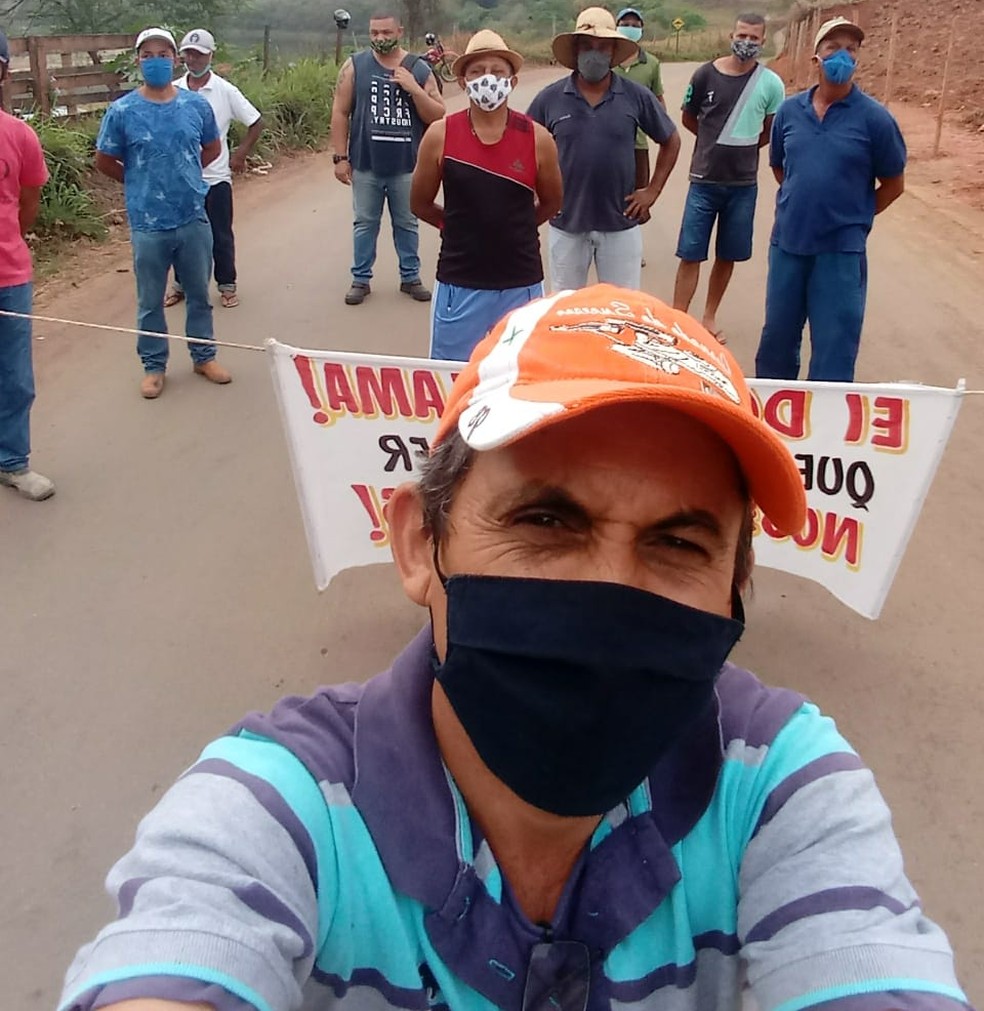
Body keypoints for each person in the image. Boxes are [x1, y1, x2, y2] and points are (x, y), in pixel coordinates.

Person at [58, 284, 971, 1011]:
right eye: (544, 518)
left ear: (735, 586)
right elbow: (179, 953)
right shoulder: (281, 808)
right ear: (421, 544)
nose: (607, 590)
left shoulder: (778, 784)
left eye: (680, 543)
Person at [755, 17, 906, 382]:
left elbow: (893, 183)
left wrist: (855, 216)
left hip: (840, 251)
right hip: (788, 243)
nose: (841, 55)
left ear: (857, 60)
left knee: (834, 348)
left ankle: (826, 429)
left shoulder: (875, 119)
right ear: (816, 57)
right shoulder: (790, 112)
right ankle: (773, 427)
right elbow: (781, 168)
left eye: (850, 49)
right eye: (832, 48)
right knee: (777, 341)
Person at [410, 30, 563, 362]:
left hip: (520, 282)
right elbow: (419, 202)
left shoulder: (538, 139)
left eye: (497, 71)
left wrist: (517, 227)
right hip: (459, 282)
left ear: (513, 81)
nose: (487, 79)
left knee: (517, 378)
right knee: (452, 380)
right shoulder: (440, 135)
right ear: (463, 82)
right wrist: (454, 227)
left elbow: (552, 201)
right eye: (477, 72)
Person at [95, 27, 229, 399]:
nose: (156, 60)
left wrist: (184, 176)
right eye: (147, 55)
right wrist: (137, 180)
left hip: (191, 217)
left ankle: (204, 356)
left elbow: (212, 147)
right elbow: (105, 159)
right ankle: (154, 366)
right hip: (148, 224)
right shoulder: (122, 111)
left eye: (163, 54)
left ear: (175, 59)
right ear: (137, 61)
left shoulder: (195, 105)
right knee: (149, 300)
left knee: (199, 294)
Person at [527, 8, 680, 292]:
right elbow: (523, 146)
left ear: (613, 52)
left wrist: (653, 190)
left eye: (602, 47)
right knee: (566, 306)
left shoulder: (636, 96)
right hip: (567, 224)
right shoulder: (549, 98)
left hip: (620, 224)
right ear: (575, 51)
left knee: (621, 310)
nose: (594, 54)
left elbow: (671, 139)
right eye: (586, 46)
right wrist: (538, 194)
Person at [672, 12, 784, 344]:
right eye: (742, 36)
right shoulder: (704, 74)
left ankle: (708, 317)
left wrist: (742, 149)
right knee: (690, 252)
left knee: (728, 254)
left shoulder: (771, 84)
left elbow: (769, 131)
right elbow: (689, 119)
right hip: (703, 181)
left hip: (743, 185)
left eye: (754, 38)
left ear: (763, 42)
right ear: (730, 36)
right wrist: (712, 143)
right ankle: (678, 318)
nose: (746, 43)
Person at [330, 12, 445, 307]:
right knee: (365, 223)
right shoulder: (355, 65)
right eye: (375, 33)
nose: (380, 38)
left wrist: (413, 88)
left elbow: (437, 114)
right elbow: (340, 111)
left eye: (386, 32)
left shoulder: (419, 68)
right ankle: (360, 279)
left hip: (407, 164)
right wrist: (340, 158)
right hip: (366, 163)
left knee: (407, 222)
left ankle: (411, 277)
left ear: (400, 31)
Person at [167, 28, 264, 310]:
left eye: (199, 55)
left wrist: (240, 153)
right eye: (188, 54)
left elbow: (255, 121)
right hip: (182, 177)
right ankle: (181, 284)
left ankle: (227, 285)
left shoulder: (224, 91)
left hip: (215, 177)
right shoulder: (174, 90)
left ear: (211, 55)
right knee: (180, 235)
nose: (193, 60)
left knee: (219, 233)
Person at [0, 29, 54, 501]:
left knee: (15, 377)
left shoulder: (19, 135)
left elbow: (28, 200)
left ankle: (13, 462)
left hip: (8, 276)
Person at [612, 7, 665, 193]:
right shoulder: (606, 61)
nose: (630, 28)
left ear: (642, 29)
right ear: (615, 27)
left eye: (635, 25)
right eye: (625, 24)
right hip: (607, 140)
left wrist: (661, 128)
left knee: (636, 199)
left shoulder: (651, 63)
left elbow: (658, 99)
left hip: (638, 144)